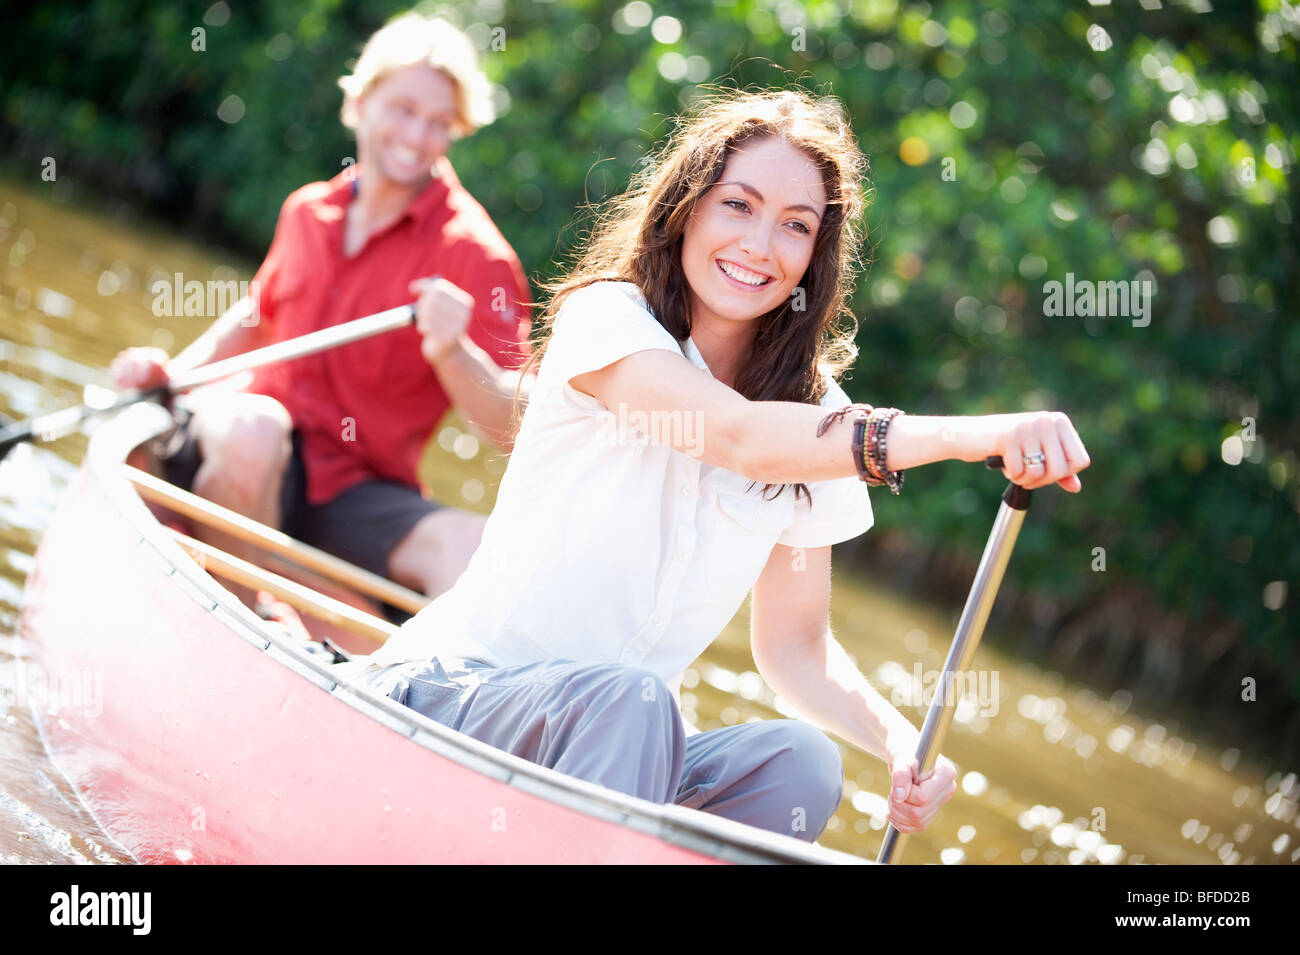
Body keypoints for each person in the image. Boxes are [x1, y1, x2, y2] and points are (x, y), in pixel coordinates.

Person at [357, 87, 1091, 846]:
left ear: (816, 254)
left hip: (622, 752)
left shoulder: (812, 416)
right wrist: (971, 436)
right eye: (737, 205)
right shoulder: (607, 321)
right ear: (687, 207)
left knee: (801, 762)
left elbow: (796, 648)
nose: (760, 246)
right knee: (634, 703)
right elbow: (735, 435)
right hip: (453, 698)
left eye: (795, 226)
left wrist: (900, 744)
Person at [110, 12, 532, 603]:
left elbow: (514, 425)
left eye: (439, 123)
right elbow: (256, 318)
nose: (418, 136)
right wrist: (171, 376)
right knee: (251, 432)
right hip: (255, 445)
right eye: (403, 109)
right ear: (358, 102)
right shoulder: (307, 211)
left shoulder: (476, 256)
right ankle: (252, 613)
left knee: (473, 550)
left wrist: (454, 354)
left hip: (356, 491)